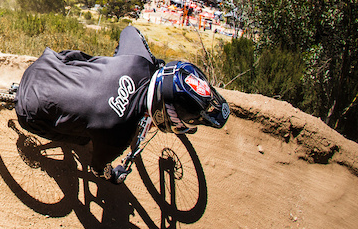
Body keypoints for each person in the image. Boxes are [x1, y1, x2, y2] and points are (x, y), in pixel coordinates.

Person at [14, 25, 230, 183]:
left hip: (47, 64)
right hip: (29, 110)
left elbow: (129, 31)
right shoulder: (119, 135)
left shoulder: (139, 60)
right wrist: (114, 174)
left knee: (92, 65)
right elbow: (98, 169)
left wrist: (124, 61)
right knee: (83, 142)